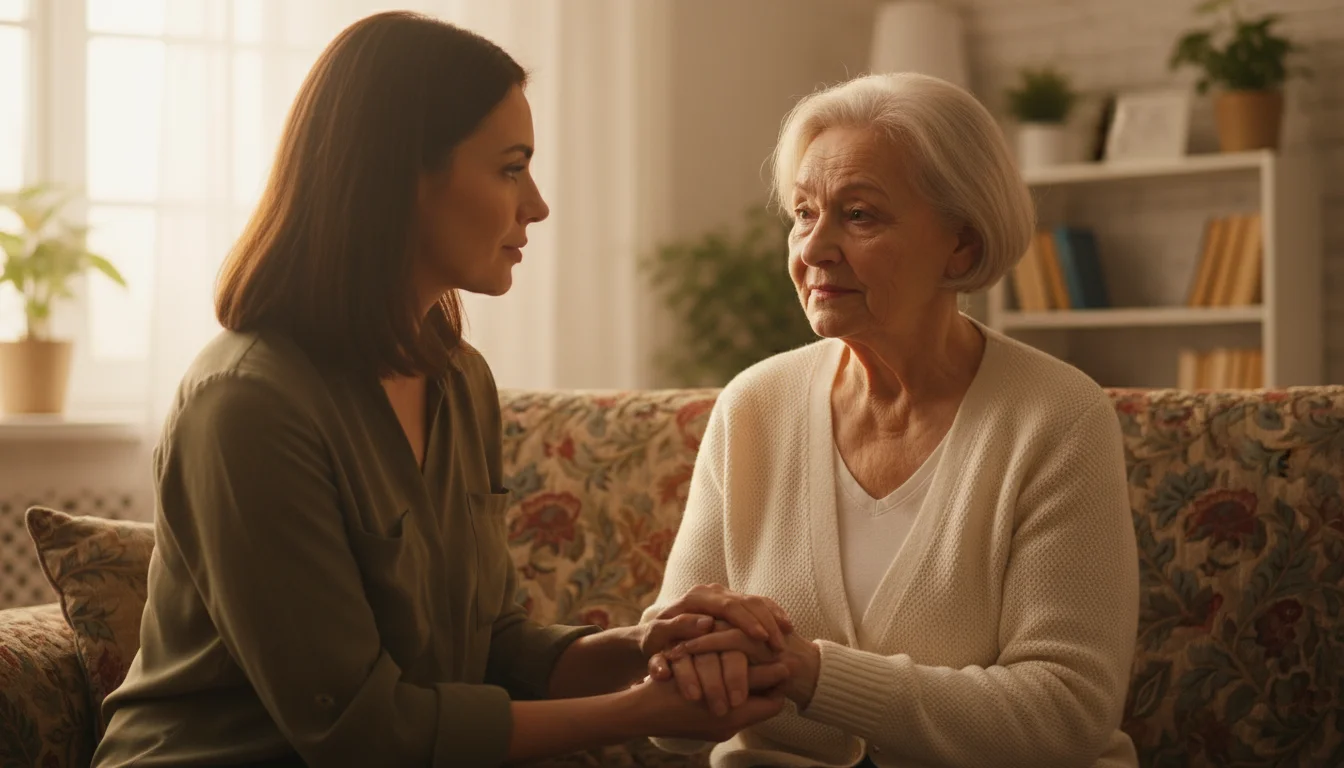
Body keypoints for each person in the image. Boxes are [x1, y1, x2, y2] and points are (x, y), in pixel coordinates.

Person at [92, 12, 793, 768]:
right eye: (510, 167)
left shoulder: (458, 380)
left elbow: (493, 647)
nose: (538, 205)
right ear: (400, 177)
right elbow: (361, 734)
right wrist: (640, 711)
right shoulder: (247, 405)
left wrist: (644, 644)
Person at [640, 72, 1141, 767]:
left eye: (859, 215)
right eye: (803, 212)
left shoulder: (1055, 417)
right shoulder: (754, 405)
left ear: (960, 247)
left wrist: (814, 674)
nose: (813, 250)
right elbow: (666, 707)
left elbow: (1068, 711)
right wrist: (688, 665)